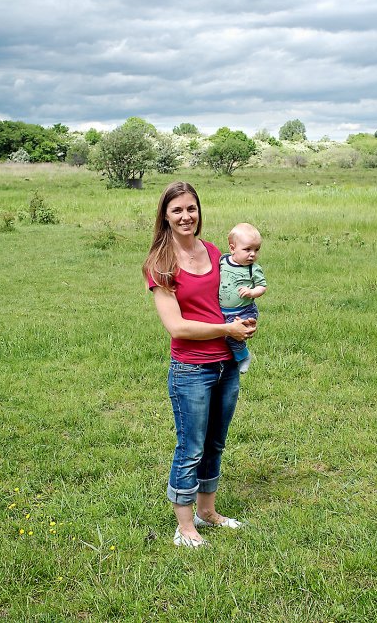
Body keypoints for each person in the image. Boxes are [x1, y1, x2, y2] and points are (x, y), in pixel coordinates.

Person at [142, 181, 257, 548]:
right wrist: (227, 328)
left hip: (227, 363)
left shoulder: (213, 251)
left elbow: (224, 300)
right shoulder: (160, 264)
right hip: (191, 368)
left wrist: (244, 318)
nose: (185, 216)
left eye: (191, 208)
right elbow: (176, 327)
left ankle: (208, 512)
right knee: (190, 446)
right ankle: (185, 525)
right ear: (165, 215)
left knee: (215, 443)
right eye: (177, 210)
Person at [219, 223, 267, 374]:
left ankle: (244, 356)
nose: (252, 254)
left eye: (256, 250)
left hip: (245, 310)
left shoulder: (253, 269)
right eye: (247, 249)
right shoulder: (223, 262)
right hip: (223, 310)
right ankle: (227, 360)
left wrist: (252, 292)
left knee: (234, 335)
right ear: (232, 248)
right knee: (221, 336)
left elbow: (262, 286)